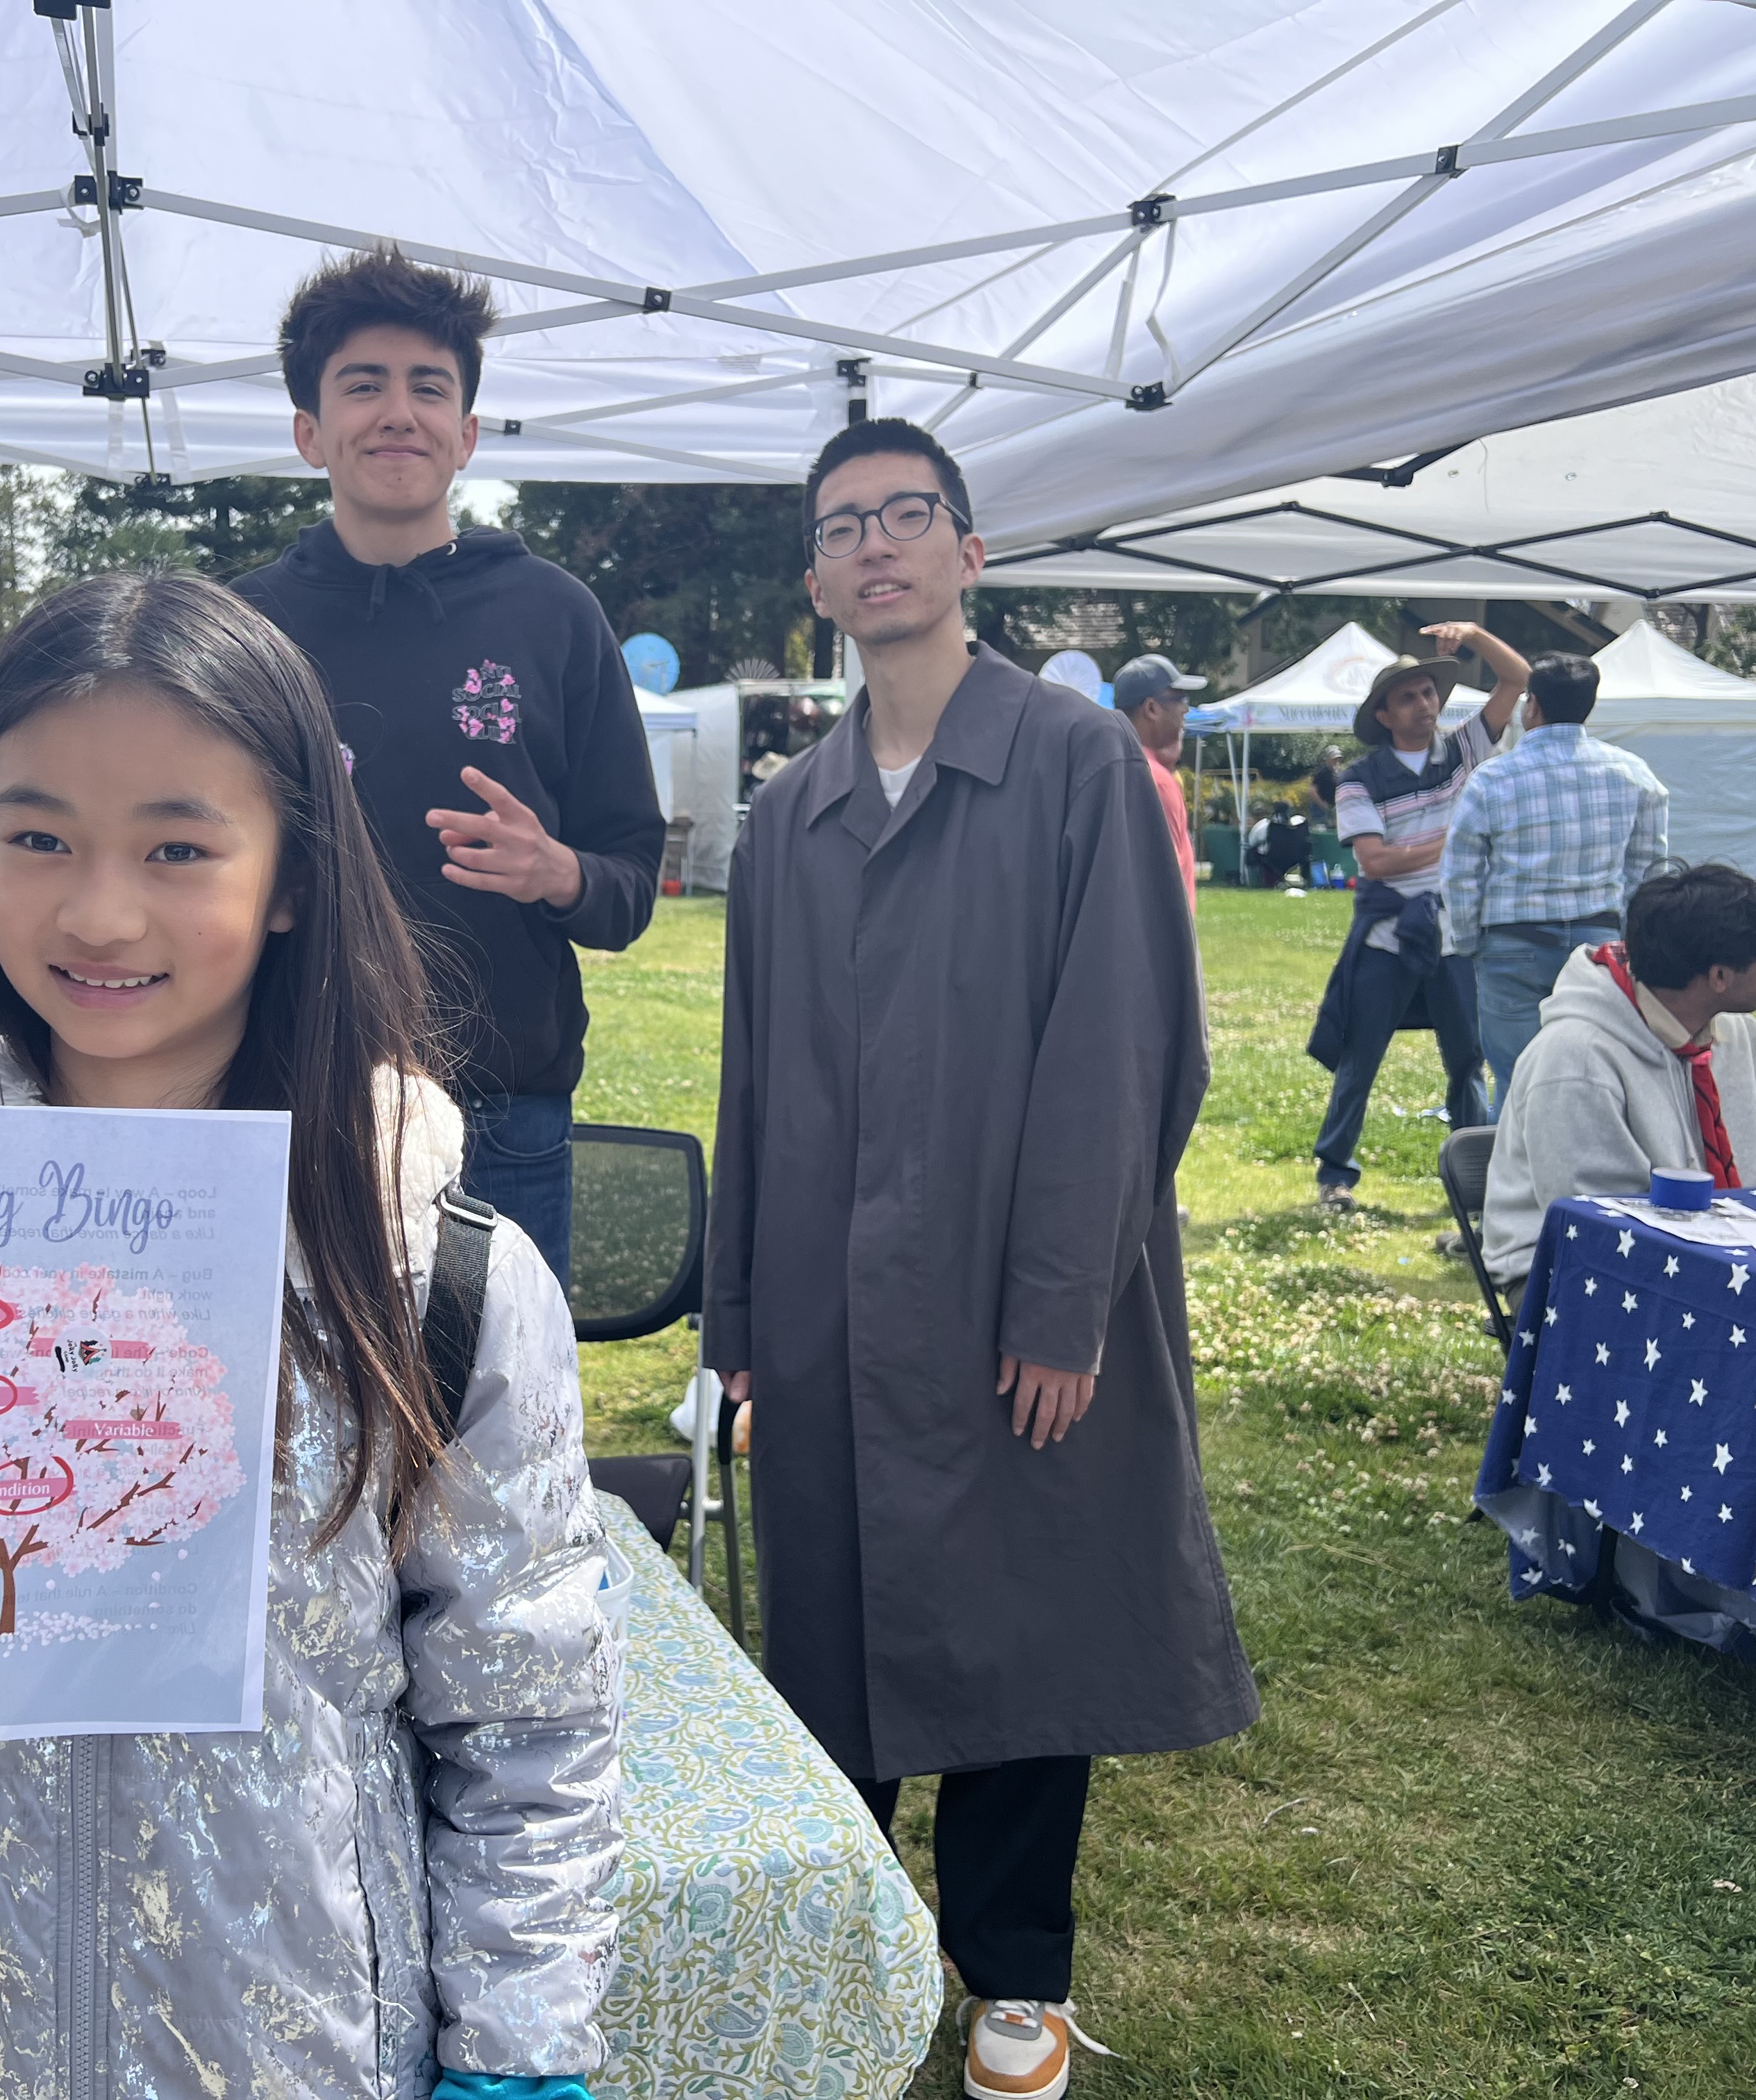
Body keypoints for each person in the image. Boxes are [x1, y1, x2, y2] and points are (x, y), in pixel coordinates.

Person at [0, 572, 620, 2100]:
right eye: (36, 839)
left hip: (306, 2059)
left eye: (177, 846)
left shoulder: (429, 1273)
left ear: (290, 874)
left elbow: (531, 1730)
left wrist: (518, 2064)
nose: (98, 913)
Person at [705, 417, 1256, 2100]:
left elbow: (1126, 1053)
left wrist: (1062, 1304)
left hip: (1012, 1282)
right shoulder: (788, 815)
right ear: (816, 580)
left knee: (1027, 1625)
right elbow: (750, 1078)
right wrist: (738, 1322)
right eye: (841, 526)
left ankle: (1017, 1971)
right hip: (827, 1293)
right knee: (833, 1632)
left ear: (969, 551)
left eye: (907, 515)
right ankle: (850, 1951)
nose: (875, 545)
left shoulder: (1078, 767)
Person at [233, 250, 664, 1290]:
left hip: (507, 1117)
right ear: (309, 432)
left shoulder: (556, 615)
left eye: (429, 387)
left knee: (503, 1392)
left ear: (466, 434)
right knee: (297, 1389)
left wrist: (557, 871)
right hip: (294, 1100)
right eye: (364, 385)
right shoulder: (242, 627)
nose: (399, 413)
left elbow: (631, 885)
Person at [1480, 863, 1756, 1287]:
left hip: (1710, 1249)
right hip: (1574, 1271)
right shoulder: (1575, 1058)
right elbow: (1597, 1224)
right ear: (1719, 976)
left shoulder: (1740, 1036)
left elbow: (1753, 1178)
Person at [1307, 626, 1527, 1209]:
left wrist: (1475, 633)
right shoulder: (1359, 778)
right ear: (1383, 715)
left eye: (1429, 693)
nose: (1424, 704)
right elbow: (1374, 862)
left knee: (1467, 1060)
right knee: (1360, 1056)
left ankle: (1474, 1179)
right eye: (1408, 697)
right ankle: (1334, 1175)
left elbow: (1517, 679)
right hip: (1388, 936)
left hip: (1454, 935)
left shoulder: (1461, 749)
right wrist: (1456, 841)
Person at [1440, 651, 1671, 1105]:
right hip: (1599, 946)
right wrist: (1629, 941)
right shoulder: (1635, 775)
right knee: (1596, 1080)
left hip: (1512, 945)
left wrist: (1468, 942)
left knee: (1517, 1085)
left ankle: (1513, 1155)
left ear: (1532, 706)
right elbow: (1649, 874)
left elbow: (1461, 873)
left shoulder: (1492, 779)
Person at [1115, 651, 1203, 904]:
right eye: (1179, 699)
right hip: (1161, 927)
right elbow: (1164, 881)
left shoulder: (1111, 765)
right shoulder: (1155, 780)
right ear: (1152, 708)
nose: (1186, 709)